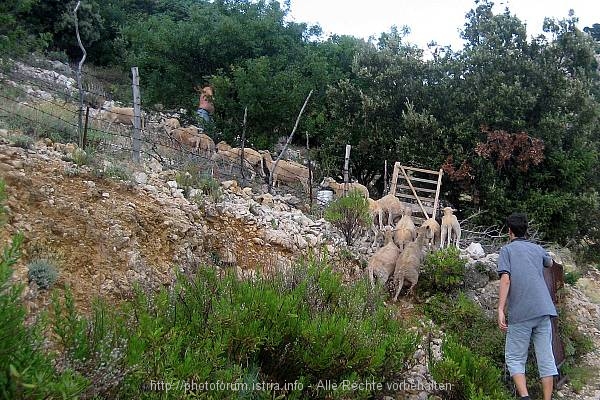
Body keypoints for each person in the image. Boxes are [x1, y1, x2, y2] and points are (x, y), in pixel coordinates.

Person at [497, 212, 558, 400]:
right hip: (543, 309)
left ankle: (525, 396)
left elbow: (506, 280)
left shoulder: (506, 251)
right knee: (546, 357)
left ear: (509, 231)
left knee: (515, 357)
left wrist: (500, 309)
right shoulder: (537, 249)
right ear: (526, 230)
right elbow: (549, 263)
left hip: (521, 312)